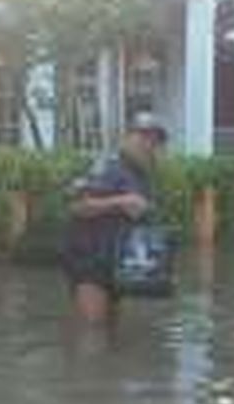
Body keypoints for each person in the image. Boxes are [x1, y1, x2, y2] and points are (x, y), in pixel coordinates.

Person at [62, 113, 168, 324]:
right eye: (143, 137)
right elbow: (76, 206)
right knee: (92, 329)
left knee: (110, 329)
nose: (149, 144)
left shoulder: (141, 174)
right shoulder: (106, 164)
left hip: (119, 263)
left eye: (155, 140)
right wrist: (120, 201)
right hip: (89, 259)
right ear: (127, 137)